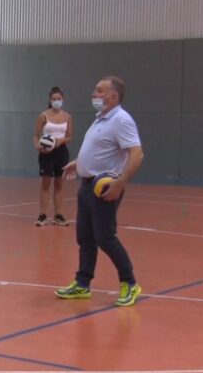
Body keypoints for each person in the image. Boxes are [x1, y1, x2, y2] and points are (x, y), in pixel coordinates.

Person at [56, 76, 144, 307]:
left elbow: (136, 154)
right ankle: (82, 284)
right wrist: (79, 162)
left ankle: (130, 283)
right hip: (86, 186)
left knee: (105, 237)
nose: (94, 95)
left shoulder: (121, 120)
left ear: (113, 96)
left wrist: (120, 184)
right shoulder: (100, 119)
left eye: (99, 91)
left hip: (104, 188)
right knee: (85, 238)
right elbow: (100, 150)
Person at [34, 87, 73, 226]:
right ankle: (43, 214)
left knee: (59, 184)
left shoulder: (67, 116)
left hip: (61, 152)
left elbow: (69, 137)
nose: (57, 101)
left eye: (59, 99)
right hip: (46, 153)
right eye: (54, 99)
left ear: (63, 100)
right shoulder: (43, 116)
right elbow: (35, 135)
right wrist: (38, 146)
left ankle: (58, 215)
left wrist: (60, 141)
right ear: (50, 100)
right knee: (46, 183)